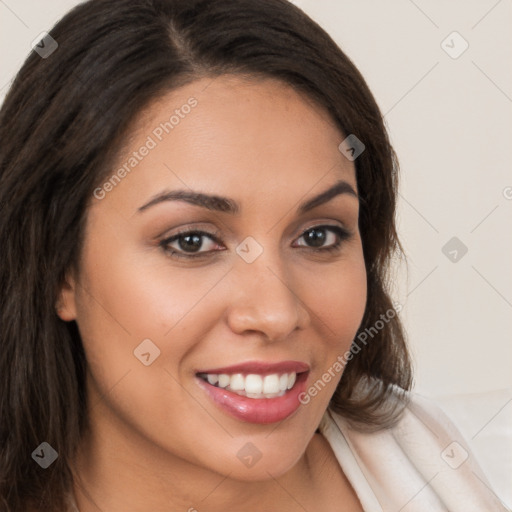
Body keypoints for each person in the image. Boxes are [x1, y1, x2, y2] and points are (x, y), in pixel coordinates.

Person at [0, 0, 506, 511]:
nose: (276, 313)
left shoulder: (431, 457)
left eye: (318, 236)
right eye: (191, 241)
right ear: (58, 270)